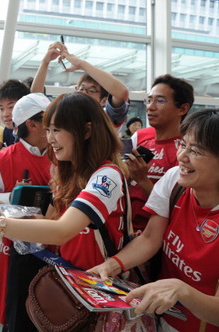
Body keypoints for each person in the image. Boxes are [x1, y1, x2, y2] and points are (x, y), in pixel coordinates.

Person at [0, 92, 130, 328]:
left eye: (57, 130)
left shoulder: (105, 175)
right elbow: (54, 221)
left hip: (96, 281)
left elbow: (62, 230)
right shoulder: (64, 170)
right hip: (63, 271)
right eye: (48, 129)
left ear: (86, 131)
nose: (51, 138)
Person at [89, 108, 219, 332]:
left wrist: (181, 290)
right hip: (162, 317)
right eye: (183, 144)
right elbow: (150, 238)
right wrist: (109, 266)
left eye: (195, 151)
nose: (182, 157)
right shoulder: (174, 181)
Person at [0, 93, 52, 331]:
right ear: (32, 124)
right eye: (49, 120)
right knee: (20, 313)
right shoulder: (1, 160)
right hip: (21, 251)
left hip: (61, 246)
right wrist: (13, 198)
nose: (56, 126)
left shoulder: (64, 152)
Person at [128, 75, 194, 233]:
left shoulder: (188, 151)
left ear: (183, 109)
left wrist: (143, 180)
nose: (150, 107)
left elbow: (178, 208)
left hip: (155, 237)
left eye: (160, 101)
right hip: (124, 229)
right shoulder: (140, 137)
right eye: (149, 100)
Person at [30, 41, 129, 132]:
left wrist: (81, 64)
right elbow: (36, 98)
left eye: (91, 90)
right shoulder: (62, 113)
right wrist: (45, 62)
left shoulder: (107, 119)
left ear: (103, 101)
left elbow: (122, 93)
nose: (83, 92)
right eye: (81, 88)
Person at [0, 79, 30, 147]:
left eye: (11, 107)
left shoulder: (32, 133)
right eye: (1, 109)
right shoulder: (8, 131)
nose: (5, 114)